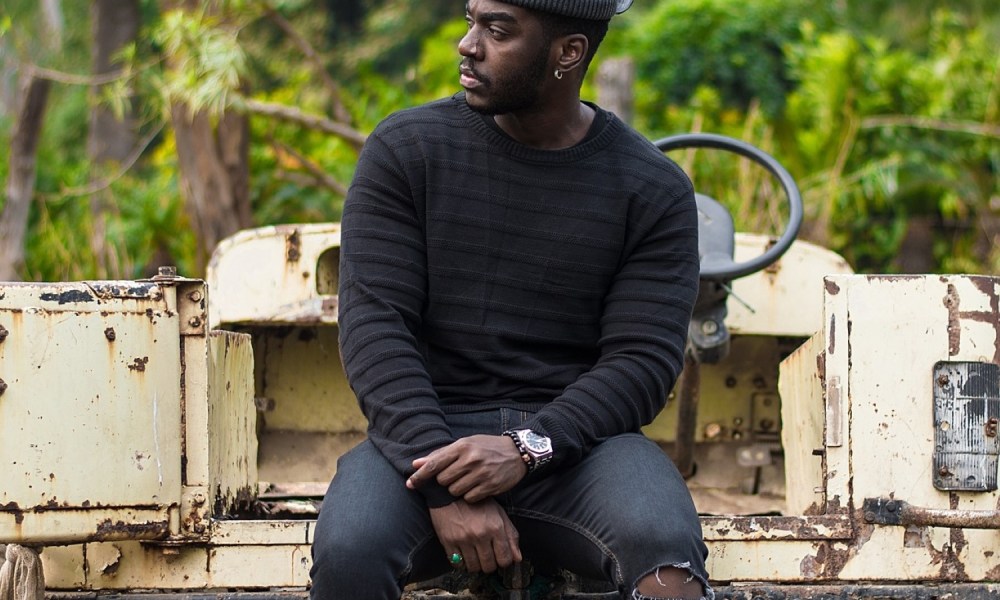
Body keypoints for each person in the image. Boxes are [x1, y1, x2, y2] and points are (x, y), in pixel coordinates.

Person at [309, 0, 711, 598]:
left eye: (497, 31)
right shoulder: (406, 150)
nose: (468, 45)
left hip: (582, 451)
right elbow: (376, 329)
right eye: (472, 20)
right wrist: (446, 488)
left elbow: (641, 363)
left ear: (567, 53)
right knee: (350, 551)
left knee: (665, 561)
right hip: (426, 443)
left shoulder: (652, 188)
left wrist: (528, 448)